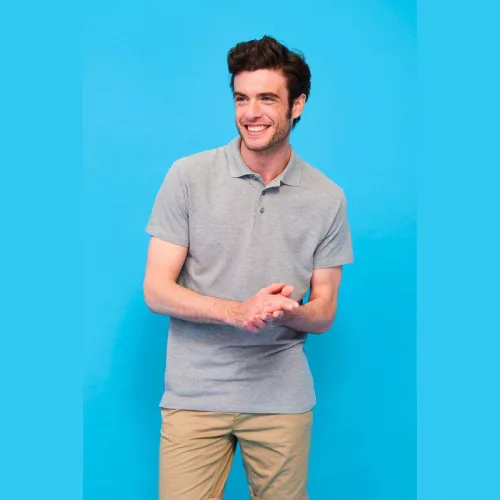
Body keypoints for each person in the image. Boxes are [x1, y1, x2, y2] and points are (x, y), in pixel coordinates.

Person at [144, 35, 354, 500]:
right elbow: (156, 290)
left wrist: (289, 311)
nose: (251, 113)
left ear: (297, 105)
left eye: (267, 99)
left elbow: (324, 312)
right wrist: (238, 312)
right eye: (241, 98)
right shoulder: (188, 176)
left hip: (281, 397)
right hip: (194, 396)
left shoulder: (327, 198)